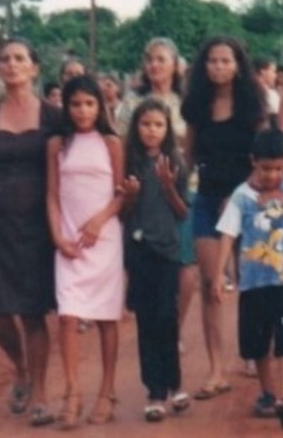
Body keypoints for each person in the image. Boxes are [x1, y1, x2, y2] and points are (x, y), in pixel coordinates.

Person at [0, 39, 63, 427]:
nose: (11, 64)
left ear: (34, 68)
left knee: (34, 313)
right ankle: (20, 369)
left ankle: (40, 393)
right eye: (4, 59)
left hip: (37, 229)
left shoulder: (53, 116)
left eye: (19, 58)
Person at [213, 128, 283, 431]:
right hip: (253, 283)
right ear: (253, 162)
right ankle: (268, 392)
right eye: (266, 169)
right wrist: (219, 273)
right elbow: (228, 235)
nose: (272, 175)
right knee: (257, 342)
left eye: (278, 168)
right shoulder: (241, 196)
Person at [181, 35, 266, 400]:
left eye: (226, 61)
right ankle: (216, 369)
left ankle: (254, 353)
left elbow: (263, 157)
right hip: (207, 199)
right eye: (213, 61)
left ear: (238, 66)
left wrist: (239, 195)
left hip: (247, 200)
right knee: (209, 281)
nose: (219, 67)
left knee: (251, 280)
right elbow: (188, 156)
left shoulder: (252, 106)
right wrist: (176, 193)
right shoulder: (197, 106)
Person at [46, 77, 125, 429]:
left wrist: (99, 221)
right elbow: (52, 194)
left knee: (107, 317)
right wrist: (57, 236)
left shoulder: (111, 142)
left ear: (100, 106)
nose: (82, 111)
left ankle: (107, 391)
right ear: (66, 107)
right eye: (75, 104)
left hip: (103, 238)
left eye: (89, 104)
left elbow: (122, 193)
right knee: (67, 315)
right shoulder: (57, 144)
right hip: (68, 240)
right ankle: (72, 392)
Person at [121, 98, 193, 422]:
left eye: (158, 125)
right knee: (146, 321)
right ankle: (154, 391)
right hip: (139, 251)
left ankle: (174, 384)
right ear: (136, 127)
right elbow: (123, 213)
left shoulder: (175, 161)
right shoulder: (129, 162)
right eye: (146, 124)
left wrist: (168, 187)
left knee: (166, 317)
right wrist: (131, 196)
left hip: (167, 251)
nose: (152, 131)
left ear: (167, 129)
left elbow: (182, 212)